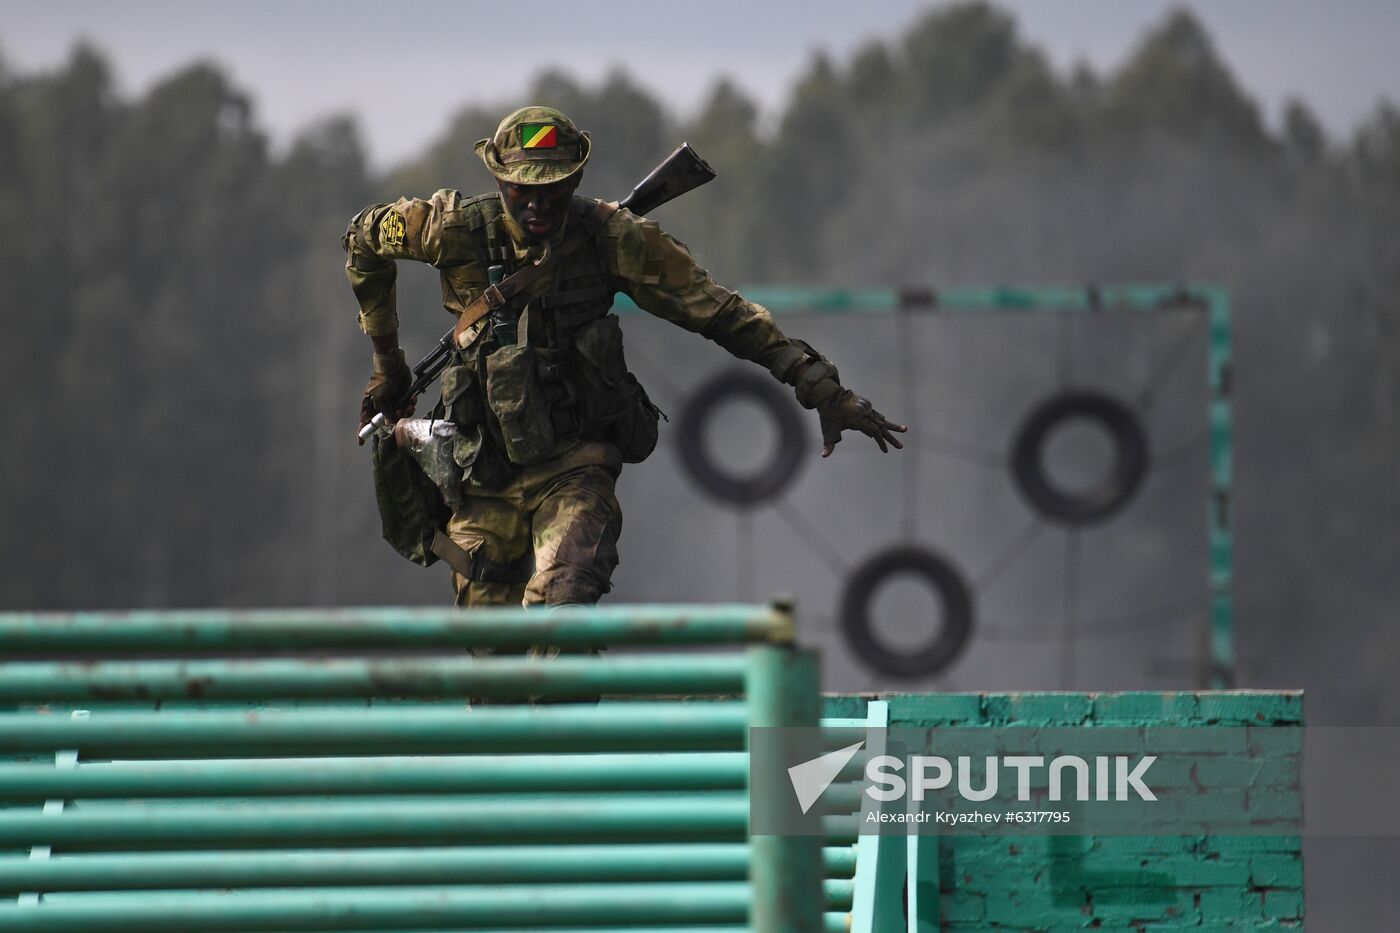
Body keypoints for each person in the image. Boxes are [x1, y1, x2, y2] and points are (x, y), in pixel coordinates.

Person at [343, 106, 905, 609]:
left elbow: (722, 314)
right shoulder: (452, 228)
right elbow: (362, 240)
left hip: (574, 465)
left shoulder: (614, 238)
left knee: (563, 611)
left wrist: (821, 389)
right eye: (522, 189)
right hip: (482, 473)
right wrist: (386, 360)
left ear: (577, 179)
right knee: (497, 679)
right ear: (498, 178)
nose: (538, 203)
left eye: (554, 188)